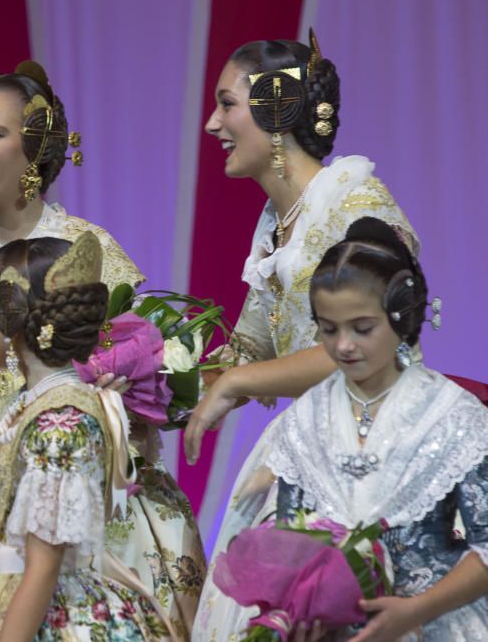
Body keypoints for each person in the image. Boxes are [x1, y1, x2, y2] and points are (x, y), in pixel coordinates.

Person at [0, 61, 203, 631]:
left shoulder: (88, 252)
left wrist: (116, 404)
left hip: (73, 483)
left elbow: (139, 383)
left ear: (36, 146)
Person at [181, 32, 418, 639]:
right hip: (303, 446)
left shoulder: (356, 208)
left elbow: (366, 353)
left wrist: (236, 381)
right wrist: (141, 386)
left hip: (373, 453)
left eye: (226, 103)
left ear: (277, 113)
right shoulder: (278, 224)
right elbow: (250, 349)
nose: (212, 124)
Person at [0, 233, 169, 640]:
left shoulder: (60, 421)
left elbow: (43, 565)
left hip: (40, 608)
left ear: (9, 316)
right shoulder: (35, 407)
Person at [263, 217, 488, 640]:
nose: (343, 346)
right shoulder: (304, 419)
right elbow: (290, 540)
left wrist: (414, 610)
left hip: (435, 623)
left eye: (362, 328)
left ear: (400, 318)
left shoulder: (453, 415)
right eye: (328, 330)